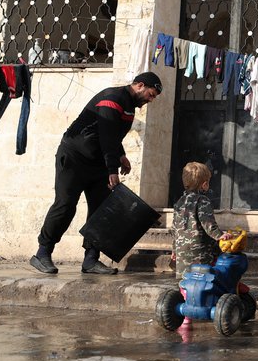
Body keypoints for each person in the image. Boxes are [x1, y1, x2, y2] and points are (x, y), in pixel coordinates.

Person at [29, 72, 163, 275]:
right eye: (150, 95)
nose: (150, 100)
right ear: (140, 85)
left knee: (101, 211)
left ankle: (91, 260)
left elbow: (114, 135)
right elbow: (106, 133)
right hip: (74, 158)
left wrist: (121, 156)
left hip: (97, 162)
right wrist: (112, 169)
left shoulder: (128, 106)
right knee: (65, 205)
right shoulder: (112, 98)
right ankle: (42, 253)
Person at [172, 162, 232, 279]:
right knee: (202, 279)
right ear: (204, 184)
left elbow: (174, 228)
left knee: (185, 280)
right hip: (199, 252)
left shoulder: (179, 202)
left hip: (181, 252)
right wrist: (220, 235)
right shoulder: (202, 200)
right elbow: (208, 223)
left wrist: (174, 249)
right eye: (208, 181)